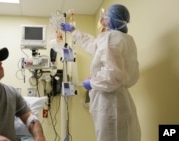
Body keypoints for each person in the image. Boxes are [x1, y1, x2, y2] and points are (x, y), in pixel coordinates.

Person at [60, 4, 141, 141]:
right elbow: (94, 45)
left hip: (110, 103)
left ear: (112, 20)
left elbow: (114, 76)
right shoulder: (126, 39)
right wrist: (74, 31)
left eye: (105, 16)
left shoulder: (110, 38)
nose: (102, 19)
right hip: (121, 100)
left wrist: (91, 83)